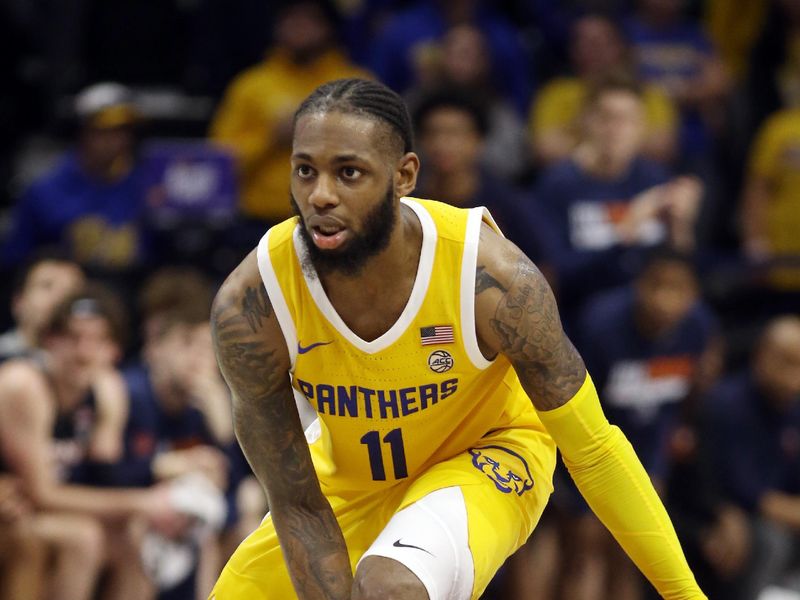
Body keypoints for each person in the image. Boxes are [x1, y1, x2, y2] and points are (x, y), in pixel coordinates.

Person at [208, 78, 704, 599]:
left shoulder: (488, 277)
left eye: (348, 172)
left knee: (389, 586)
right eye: (305, 170)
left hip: (489, 456)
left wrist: (686, 596)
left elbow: (596, 451)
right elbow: (297, 504)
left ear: (404, 176)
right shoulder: (251, 304)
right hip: (350, 478)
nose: (321, 194)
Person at [0, 285, 184, 600]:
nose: (83, 352)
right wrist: (143, 501)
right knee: (83, 538)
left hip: (39, 509)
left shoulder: (106, 391)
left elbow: (106, 478)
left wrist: (160, 476)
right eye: (72, 338)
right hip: (17, 508)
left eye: (97, 340)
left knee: (137, 536)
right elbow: (42, 494)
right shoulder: (24, 385)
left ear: (114, 351)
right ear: (49, 341)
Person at [535, 74, 702, 324]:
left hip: (649, 314)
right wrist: (625, 231)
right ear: (585, 121)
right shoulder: (558, 184)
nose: (616, 129)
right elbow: (556, 274)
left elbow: (679, 270)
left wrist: (682, 225)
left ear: (642, 128)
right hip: (582, 314)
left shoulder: (655, 178)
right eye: (606, 117)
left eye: (627, 120)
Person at [210, 0, 369, 231]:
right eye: (290, 18)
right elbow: (218, 163)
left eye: (309, 19)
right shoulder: (250, 86)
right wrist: (270, 138)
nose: (298, 26)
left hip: (337, 221)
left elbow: (374, 157)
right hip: (257, 223)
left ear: (329, 27)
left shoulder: (356, 85)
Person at [2, 82, 149, 272]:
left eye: (124, 132)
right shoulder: (44, 192)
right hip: (65, 296)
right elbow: (15, 262)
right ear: (83, 131)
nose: (117, 141)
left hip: (130, 294)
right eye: (105, 131)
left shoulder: (145, 187)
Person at [704, 316, 800, 599]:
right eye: (785, 361)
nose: (793, 375)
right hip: (727, 512)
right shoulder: (727, 404)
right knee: (771, 540)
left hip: (784, 512)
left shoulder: (795, 408)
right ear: (760, 356)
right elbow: (748, 492)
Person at [529, 13, 678, 166]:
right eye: (585, 42)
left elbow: (661, 149)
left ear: (620, 46)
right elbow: (545, 150)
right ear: (573, 50)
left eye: (602, 41)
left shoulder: (650, 93)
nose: (595, 48)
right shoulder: (556, 92)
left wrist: (586, 143)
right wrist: (621, 143)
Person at [0, 251, 84, 362]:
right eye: (47, 286)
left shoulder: (91, 366)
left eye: (71, 291)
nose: (59, 297)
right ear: (18, 302)